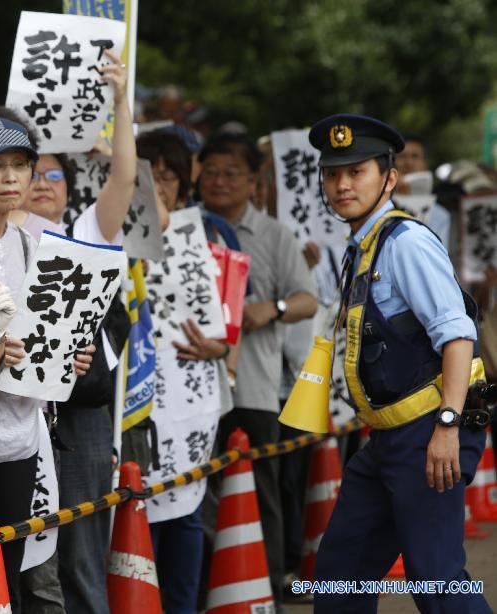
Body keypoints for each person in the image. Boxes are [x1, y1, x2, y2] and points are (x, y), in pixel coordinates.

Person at [309, 114, 491, 613]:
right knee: (340, 574)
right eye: (331, 173)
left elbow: (457, 335)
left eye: (356, 171)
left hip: (428, 432)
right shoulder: (363, 245)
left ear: (389, 177)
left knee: (436, 580)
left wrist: (448, 426)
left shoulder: (405, 242)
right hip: (388, 438)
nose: (342, 184)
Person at [12, 49, 135, 614]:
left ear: (69, 184)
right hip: (15, 413)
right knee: (26, 558)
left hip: (78, 415)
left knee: (81, 551)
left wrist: (121, 102)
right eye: (30, 172)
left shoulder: (84, 233)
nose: (41, 183)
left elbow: (125, 177)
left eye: (53, 173)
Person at [0, 113, 95, 612]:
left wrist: (71, 354)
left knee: (11, 564)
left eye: (21, 165)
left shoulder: (33, 247)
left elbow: (48, 337)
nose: (12, 178)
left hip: (23, 432)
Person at [199, 132, 318, 607]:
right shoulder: (185, 228)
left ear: (253, 181)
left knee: (259, 486)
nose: (220, 181)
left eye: (231, 173)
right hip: (197, 390)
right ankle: (213, 581)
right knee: (199, 490)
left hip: (253, 387)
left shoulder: (274, 234)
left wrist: (274, 307)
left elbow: (308, 299)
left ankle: (265, 582)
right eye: (210, 172)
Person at [136, 129, 240, 614]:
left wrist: (221, 347)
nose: (158, 186)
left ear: (184, 181)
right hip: (142, 392)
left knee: (187, 510)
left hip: (195, 390)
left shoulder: (214, 232)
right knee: (142, 510)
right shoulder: (120, 232)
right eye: (148, 175)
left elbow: (234, 319)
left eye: (167, 176)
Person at [394, 132, 452, 247]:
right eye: (402, 156)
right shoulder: (377, 207)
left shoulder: (440, 215)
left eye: (415, 157)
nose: (408, 163)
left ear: (425, 165)